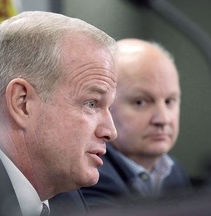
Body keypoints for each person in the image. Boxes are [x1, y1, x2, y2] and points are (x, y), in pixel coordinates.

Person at [0, 11, 118, 216]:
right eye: (91, 104)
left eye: (109, 108)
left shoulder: (65, 194)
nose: (110, 131)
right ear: (22, 103)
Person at [81, 38, 192, 211]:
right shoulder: (90, 177)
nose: (163, 119)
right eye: (140, 102)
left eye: (170, 101)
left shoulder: (173, 171)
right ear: (105, 105)